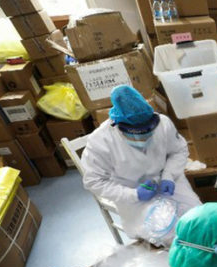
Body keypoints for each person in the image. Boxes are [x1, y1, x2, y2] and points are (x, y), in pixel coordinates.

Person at [81, 85, 201, 243]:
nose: (144, 137)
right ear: (118, 124)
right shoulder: (100, 141)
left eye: (148, 130)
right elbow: (94, 181)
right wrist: (134, 194)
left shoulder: (163, 124)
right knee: (165, 231)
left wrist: (169, 175)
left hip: (167, 183)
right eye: (136, 132)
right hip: (131, 193)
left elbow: (178, 151)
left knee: (198, 217)